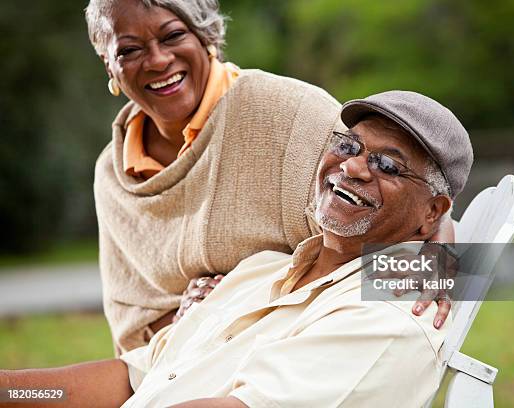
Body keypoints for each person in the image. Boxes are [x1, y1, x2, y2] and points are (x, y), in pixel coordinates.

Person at [1, 90, 472, 408]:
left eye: (387, 164)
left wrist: (445, 259)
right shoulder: (258, 271)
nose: (352, 168)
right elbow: (133, 378)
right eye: (348, 145)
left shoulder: (389, 316)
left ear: (433, 211)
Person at [86, 0, 452, 354]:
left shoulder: (288, 111)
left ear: (205, 35)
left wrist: (438, 261)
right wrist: (189, 322)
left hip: (298, 351)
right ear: (108, 65)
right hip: (178, 369)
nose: (158, 60)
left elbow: (415, 198)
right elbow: (131, 318)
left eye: (172, 36)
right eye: (129, 50)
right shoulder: (112, 175)